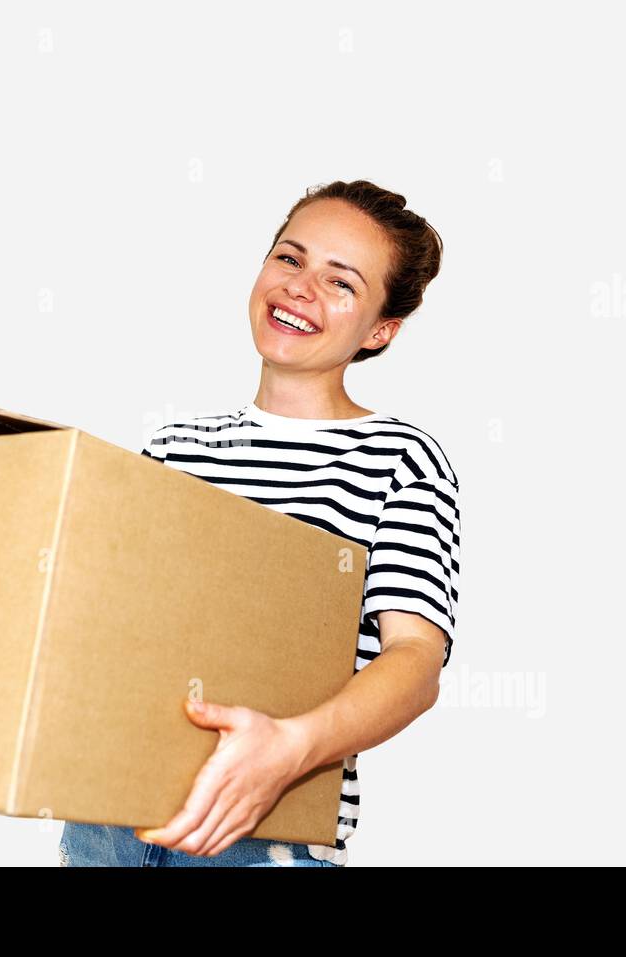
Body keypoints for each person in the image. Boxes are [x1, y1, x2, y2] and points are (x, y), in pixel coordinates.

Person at [58, 179, 460, 867]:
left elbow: (416, 662)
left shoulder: (400, 459)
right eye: (290, 258)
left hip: (266, 837)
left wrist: (290, 748)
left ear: (381, 328)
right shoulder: (172, 446)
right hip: (106, 824)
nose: (301, 288)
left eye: (342, 283)